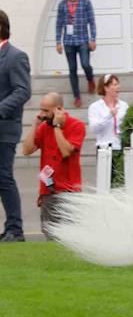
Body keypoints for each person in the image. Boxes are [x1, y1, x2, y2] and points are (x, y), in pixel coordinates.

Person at [20, 91, 85, 237]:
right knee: (50, 237)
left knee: (70, 237)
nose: (42, 114)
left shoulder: (77, 125)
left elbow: (66, 151)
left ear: (59, 109)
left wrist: (57, 127)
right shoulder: (44, 126)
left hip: (69, 192)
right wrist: (34, 125)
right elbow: (26, 150)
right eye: (41, 109)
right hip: (48, 191)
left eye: (45, 110)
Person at [0, 10, 31, 241]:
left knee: (3, 177)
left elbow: (23, 91)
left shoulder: (15, 56)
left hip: (5, 128)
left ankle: (15, 229)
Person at [55, 0, 97, 108]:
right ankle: (77, 96)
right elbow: (59, 24)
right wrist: (58, 42)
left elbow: (92, 21)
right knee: (72, 69)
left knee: (85, 64)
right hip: (68, 42)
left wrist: (93, 39)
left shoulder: (85, 2)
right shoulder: (62, 5)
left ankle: (90, 79)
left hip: (83, 40)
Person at [87, 73, 127, 152]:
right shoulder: (95, 107)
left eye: (118, 84)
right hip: (104, 148)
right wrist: (109, 115)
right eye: (115, 85)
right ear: (106, 88)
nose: (118, 87)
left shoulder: (124, 105)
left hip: (121, 147)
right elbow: (94, 129)